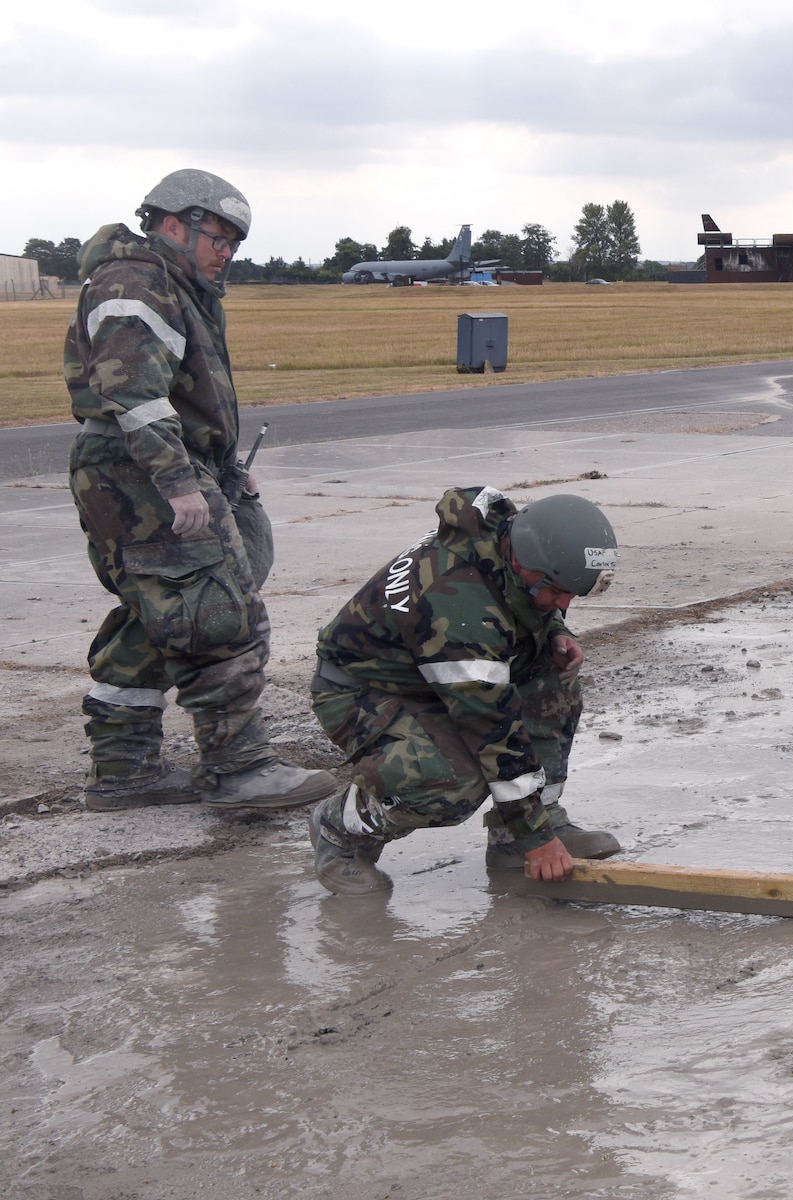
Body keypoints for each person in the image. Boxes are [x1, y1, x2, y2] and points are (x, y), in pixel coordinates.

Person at [63, 169, 337, 812]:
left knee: (160, 615)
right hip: (142, 469)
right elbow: (132, 392)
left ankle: (124, 773)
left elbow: (178, 396)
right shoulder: (136, 282)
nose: (227, 254)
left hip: (147, 465)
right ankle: (236, 769)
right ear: (173, 223)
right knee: (218, 614)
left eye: (235, 243)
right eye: (220, 237)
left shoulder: (174, 285)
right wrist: (180, 481)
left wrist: (221, 469)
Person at [307, 489, 625, 895]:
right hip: (362, 692)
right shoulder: (458, 601)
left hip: (431, 672)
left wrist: (556, 630)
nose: (564, 602)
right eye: (557, 591)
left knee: (553, 677)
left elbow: (525, 607)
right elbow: (491, 726)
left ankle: (519, 831)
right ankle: (340, 829)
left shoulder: (510, 543)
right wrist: (538, 842)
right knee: (455, 779)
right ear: (523, 563)